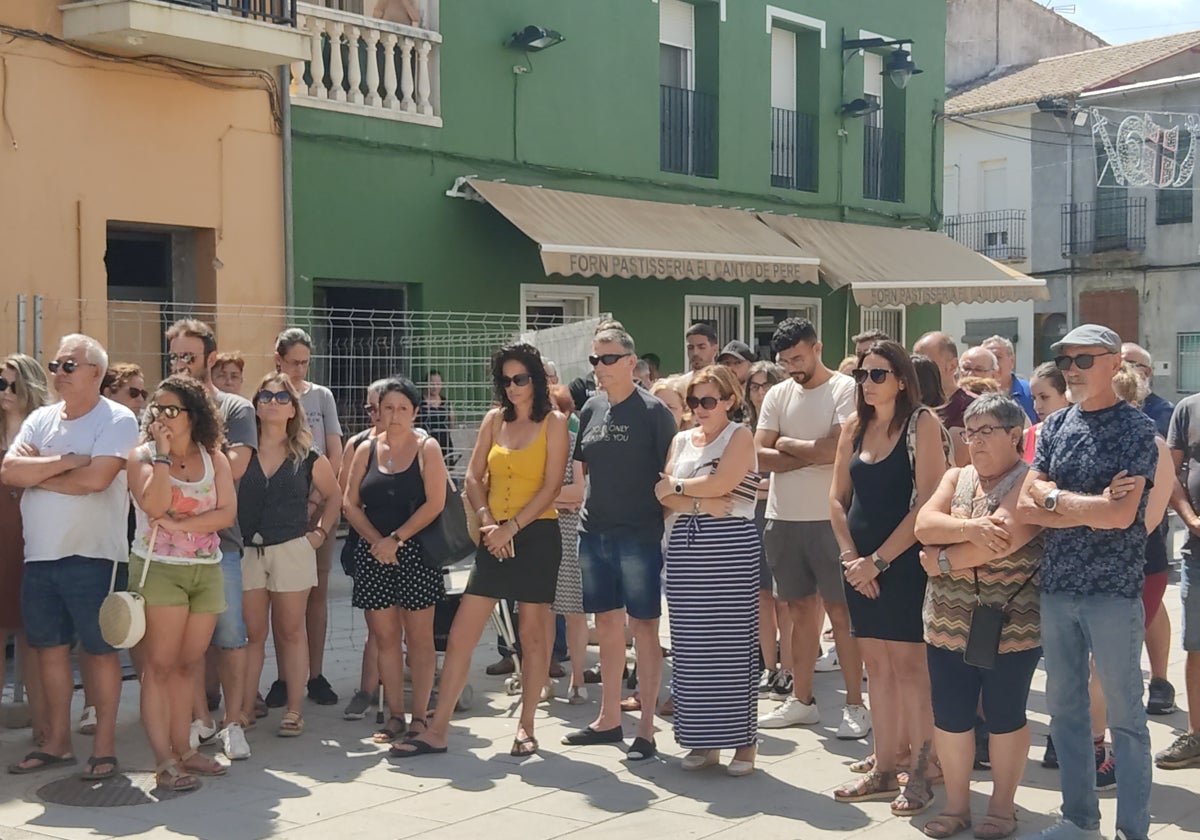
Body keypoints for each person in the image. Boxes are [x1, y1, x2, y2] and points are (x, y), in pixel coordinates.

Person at [1015, 324, 1157, 840]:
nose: (1071, 370)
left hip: (1112, 591)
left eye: (1082, 360)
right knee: (1066, 711)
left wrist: (1059, 500)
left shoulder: (1136, 429)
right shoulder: (1054, 427)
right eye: (1065, 360)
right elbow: (1029, 503)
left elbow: (1121, 519)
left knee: (1125, 719)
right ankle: (1079, 820)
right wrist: (1088, 504)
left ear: (1114, 362)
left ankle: (1133, 829)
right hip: (1057, 586)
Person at [393, 343, 567, 758]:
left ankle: (526, 728)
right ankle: (437, 730)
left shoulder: (554, 423)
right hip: (493, 534)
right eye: (505, 380)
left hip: (536, 535)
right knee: (461, 635)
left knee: (532, 635)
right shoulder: (494, 419)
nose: (512, 387)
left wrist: (512, 528)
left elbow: (552, 486)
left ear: (536, 380)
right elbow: (472, 477)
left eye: (520, 379)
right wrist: (490, 522)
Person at [2, 335, 139, 779]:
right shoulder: (40, 418)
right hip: (40, 557)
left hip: (95, 556)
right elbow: (8, 471)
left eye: (68, 365)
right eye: (55, 364)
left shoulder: (117, 418)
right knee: (49, 651)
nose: (58, 372)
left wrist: (38, 472)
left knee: (99, 654)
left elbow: (98, 479)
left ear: (96, 373)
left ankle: (104, 749)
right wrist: (67, 461)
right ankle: (57, 744)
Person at [914, 394, 1044, 840]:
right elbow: (923, 526)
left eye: (986, 431)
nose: (975, 441)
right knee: (951, 716)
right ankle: (956, 806)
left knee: (1006, 715)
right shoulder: (957, 475)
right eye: (970, 432)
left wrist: (942, 561)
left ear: (1015, 435)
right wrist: (969, 529)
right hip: (947, 624)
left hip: (1010, 627)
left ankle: (1003, 809)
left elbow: (1004, 539)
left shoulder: (1031, 482)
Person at [830, 340, 946, 814]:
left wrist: (876, 562)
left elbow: (929, 502)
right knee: (875, 667)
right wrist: (850, 559)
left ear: (901, 378)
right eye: (862, 374)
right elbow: (837, 499)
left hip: (902, 566)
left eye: (878, 374)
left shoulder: (922, 423)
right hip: (856, 566)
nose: (867, 383)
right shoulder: (854, 427)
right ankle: (882, 766)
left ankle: (921, 771)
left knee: (911, 670)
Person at [562, 326, 678, 761]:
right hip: (593, 534)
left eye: (608, 359)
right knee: (606, 627)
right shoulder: (590, 408)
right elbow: (582, 473)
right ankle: (608, 718)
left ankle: (646, 727)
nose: (600, 368)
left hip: (638, 537)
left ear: (632, 362)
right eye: (594, 359)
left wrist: (650, 523)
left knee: (643, 629)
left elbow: (670, 482)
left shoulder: (653, 412)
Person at [755, 319, 868, 738]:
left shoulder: (843, 388)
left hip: (830, 518)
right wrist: (811, 452)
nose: (791, 367)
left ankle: (856, 705)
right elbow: (759, 455)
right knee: (798, 614)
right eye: (784, 361)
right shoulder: (778, 393)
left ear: (817, 348)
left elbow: (837, 448)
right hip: (782, 518)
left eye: (798, 358)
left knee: (842, 615)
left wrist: (786, 443)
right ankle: (801, 700)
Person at [127, 376, 237, 790]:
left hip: (205, 569)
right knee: (159, 666)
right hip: (159, 568)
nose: (162, 417)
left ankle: (185, 750)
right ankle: (164, 760)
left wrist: (184, 523)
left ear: (194, 416)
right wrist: (161, 455)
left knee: (188, 664)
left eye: (171, 410)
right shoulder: (140, 456)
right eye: (157, 409)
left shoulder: (215, 458)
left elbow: (227, 513)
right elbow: (153, 505)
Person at [655, 365, 761, 775]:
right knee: (692, 647)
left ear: (730, 401)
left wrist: (681, 489)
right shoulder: (681, 440)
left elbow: (723, 483)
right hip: (686, 548)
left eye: (708, 401)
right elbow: (661, 493)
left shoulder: (740, 436)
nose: (700, 409)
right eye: (694, 401)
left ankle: (744, 744)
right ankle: (702, 740)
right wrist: (697, 500)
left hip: (730, 550)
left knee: (731, 646)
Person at [1079, 364, 1176, 791]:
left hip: (1138, 569)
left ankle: (1115, 753)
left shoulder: (1153, 446)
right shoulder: (1088, 441)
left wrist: (1089, 514)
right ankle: (1095, 745)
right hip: (1091, 569)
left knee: (1113, 667)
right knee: (1097, 666)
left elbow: (1145, 525)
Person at [165, 319, 257, 761]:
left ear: (211, 359)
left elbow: (234, 469)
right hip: (171, 547)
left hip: (222, 542)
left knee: (230, 635)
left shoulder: (236, 409)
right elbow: (151, 467)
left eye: (190, 356)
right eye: (175, 356)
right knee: (189, 641)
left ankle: (234, 723)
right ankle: (199, 718)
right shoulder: (162, 405)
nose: (181, 364)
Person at [343, 377, 447, 745]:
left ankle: (420, 716)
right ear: (378, 411)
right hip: (375, 555)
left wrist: (397, 539)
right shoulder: (365, 449)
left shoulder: (427, 448)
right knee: (385, 637)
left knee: (419, 640)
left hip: (417, 554)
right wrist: (377, 543)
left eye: (403, 408)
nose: (395, 415)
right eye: (388, 407)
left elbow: (436, 503)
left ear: (416, 412)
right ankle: (394, 715)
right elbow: (349, 502)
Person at [238, 373, 341, 739]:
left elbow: (334, 496)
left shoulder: (307, 456)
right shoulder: (240, 452)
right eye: (265, 395)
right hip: (248, 550)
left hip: (292, 549)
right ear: (255, 404)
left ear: (294, 408)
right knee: (252, 634)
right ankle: (244, 707)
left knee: (291, 631)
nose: (273, 402)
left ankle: (295, 710)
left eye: (282, 397)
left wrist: (319, 535)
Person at [270, 328, 343, 707]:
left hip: (316, 508)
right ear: (278, 359)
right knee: (282, 599)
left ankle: (314, 675)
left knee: (316, 594)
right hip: (279, 514)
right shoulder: (268, 396)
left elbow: (334, 448)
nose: (299, 370)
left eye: (304, 363)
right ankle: (285, 677)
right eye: (292, 362)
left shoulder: (322, 396)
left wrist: (317, 501)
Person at [1120, 344, 1177, 717]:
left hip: (1144, 537)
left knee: (1150, 610)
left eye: (1131, 364)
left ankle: (1159, 679)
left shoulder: (1162, 413)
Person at [0, 354, 52, 748]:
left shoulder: (45, 430)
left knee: (35, 635)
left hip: (35, 536)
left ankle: (44, 726)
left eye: (8, 383)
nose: (3, 391)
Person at [744, 361, 794, 695]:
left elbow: (788, 472)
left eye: (766, 385)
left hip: (782, 513)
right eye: (754, 386)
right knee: (760, 596)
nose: (760, 392)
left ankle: (788, 667)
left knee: (784, 598)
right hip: (751, 516)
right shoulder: (744, 427)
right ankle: (768, 666)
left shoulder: (788, 424)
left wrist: (758, 485)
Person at [1157, 386, 1200, 770]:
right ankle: (1196, 735)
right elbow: (1169, 475)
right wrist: (1190, 519)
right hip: (1198, 553)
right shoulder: (1189, 408)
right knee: (1197, 647)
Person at [339, 380, 387, 721]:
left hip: (411, 543)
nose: (371, 414)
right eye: (368, 408)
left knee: (415, 623)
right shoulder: (357, 444)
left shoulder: (420, 443)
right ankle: (367, 689)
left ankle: (412, 687)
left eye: (377, 407)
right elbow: (346, 498)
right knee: (376, 624)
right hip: (368, 543)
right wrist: (375, 540)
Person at [550, 384, 588, 704]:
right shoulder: (533, 445)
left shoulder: (575, 443)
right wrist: (555, 501)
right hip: (538, 530)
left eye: (557, 409)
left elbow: (578, 493)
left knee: (574, 610)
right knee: (539, 611)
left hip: (567, 530)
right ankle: (541, 676)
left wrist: (541, 500)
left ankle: (578, 678)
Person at [1024, 362, 1070, 464]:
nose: (1037, 406)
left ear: (1065, 396)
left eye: (1044, 397)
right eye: (1034, 398)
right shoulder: (1026, 437)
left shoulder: (1081, 436)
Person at [982, 336, 1035, 423]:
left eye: (998, 357)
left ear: (1012, 361)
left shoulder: (1031, 392)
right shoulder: (973, 395)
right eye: (988, 358)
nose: (993, 363)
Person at [913, 331, 960, 405]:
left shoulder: (971, 408)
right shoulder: (907, 405)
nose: (917, 367)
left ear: (952, 366)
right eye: (915, 360)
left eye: (926, 363)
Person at [421, 369, 455, 462]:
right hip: (424, 445)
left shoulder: (446, 403)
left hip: (444, 446)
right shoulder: (419, 403)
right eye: (432, 383)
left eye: (438, 383)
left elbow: (451, 424)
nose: (435, 387)